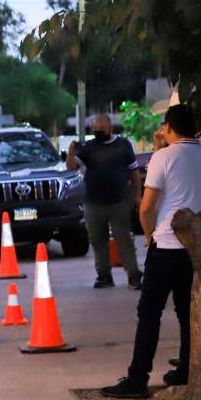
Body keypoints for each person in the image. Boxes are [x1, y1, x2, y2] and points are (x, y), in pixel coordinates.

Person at [102, 104, 201, 398]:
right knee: (187, 312)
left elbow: (147, 206)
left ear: (169, 127)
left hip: (166, 245)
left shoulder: (163, 157)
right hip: (195, 246)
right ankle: (186, 369)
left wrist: (149, 236)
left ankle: (138, 379)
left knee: (150, 313)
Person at [68, 113, 143, 289]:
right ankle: (104, 275)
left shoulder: (123, 145)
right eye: (95, 129)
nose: (98, 131)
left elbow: (134, 172)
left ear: (110, 128)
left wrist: (137, 195)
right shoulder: (89, 147)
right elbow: (71, 167)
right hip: (94, 202)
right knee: (97, 240)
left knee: (123, 238)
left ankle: (133, 275)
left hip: (119, 201)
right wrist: (71, 152)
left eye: (101, 129)